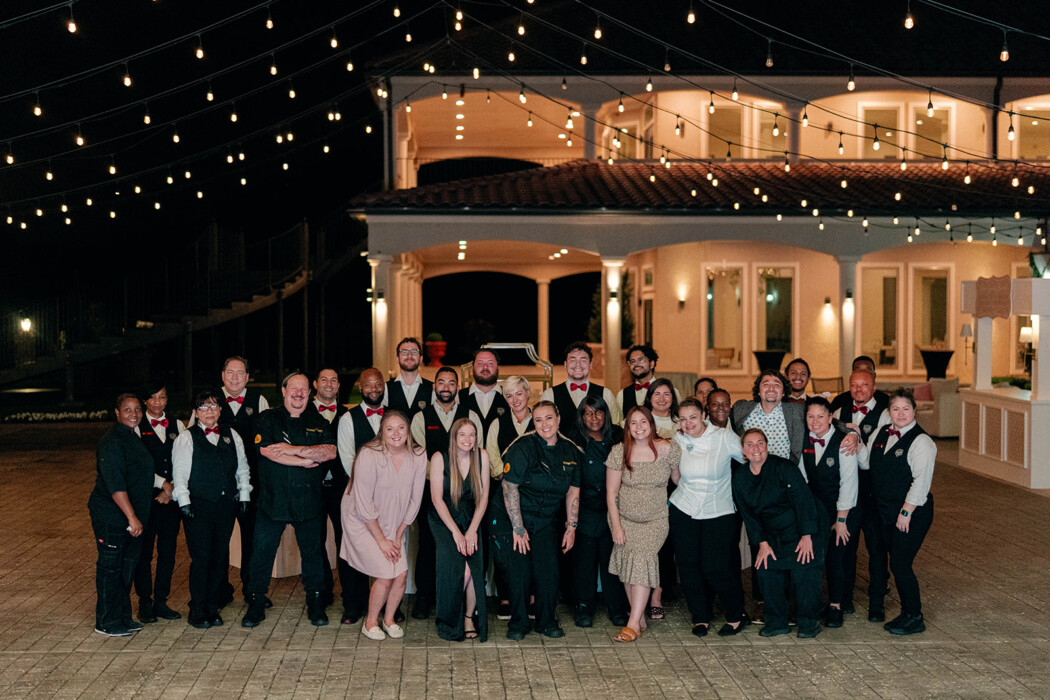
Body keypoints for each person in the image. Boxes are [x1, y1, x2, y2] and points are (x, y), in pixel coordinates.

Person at [241, 372, 337, 629]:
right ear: (283, 391)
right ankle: (255, 603)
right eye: (293, 388)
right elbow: (266, 451)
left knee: (313, 554)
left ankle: (315, 603)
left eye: (303, 389)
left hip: (309, 501)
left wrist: (291, 450)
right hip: (273, 500)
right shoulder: (266, 419)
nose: (298, 393)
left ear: (309, 392)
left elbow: (330, 452)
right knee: (262, 553)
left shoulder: (318, 420)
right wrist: (305, 460)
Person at [488, 400, 581, 641]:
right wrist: (518, 528)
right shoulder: (523, 446)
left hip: (545, 518)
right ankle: (518, 623)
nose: (544, 424)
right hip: (512, 516)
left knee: (548, 571)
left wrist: (571, 527)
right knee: (519, 571)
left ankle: (546, 621)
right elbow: (509, 488)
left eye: (549, 418)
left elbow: (573, 491)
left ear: (558, 418)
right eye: (538, 420)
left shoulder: (570, 450)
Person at [341, 410, 428, 640]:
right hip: (362, 520)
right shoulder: (369, 454)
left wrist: (398, 535)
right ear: (382, 432)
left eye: (401, 427)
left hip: (395, 520)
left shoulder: (418, 454)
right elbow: (363, 503)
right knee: (386, 573)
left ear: (408, 430)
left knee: (401, 574)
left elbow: (415, 500)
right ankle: (370, 622)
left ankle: (389, 620)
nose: (396, 433)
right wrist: (381, 540)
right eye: (389, 428)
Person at [732, 428, 826, 639]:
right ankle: (776, 623)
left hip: (803, 525)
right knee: (767, 570)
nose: (756, 448)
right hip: (771, 532)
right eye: (750, 444)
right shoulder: (740, 477)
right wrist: (762, 543)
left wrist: (807, 536)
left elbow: (803, 500)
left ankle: (808, 623)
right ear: (743, 450)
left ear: (767, 446)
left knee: (804, 573)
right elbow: (748, 515)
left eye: (760, 443)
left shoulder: (784, 467)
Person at [669, 398, 748, 637]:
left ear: (704, 415)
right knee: (688, 566)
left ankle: (736, 614)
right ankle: (700, 617)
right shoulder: (677, 440)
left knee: (716, 567)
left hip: (718, 510)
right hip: (684, 509)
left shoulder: (724, 437)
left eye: (693, 417)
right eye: (683, 419)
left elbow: (750, 458)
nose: (688, 423)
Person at [172, 390, 252, 628]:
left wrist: (244, 494)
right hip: (198, 506)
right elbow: (180, 474)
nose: (209, 411)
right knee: (202, 558)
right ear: (195, 412)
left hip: (226, 506)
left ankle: (212, 605)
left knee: (219, 557)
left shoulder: (232, 435)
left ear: (220, 410)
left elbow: (242, 467)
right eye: (203, 407)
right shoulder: (186, 438)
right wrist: (184, 502)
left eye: (214, 406)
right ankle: (197, 608)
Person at [410, 366, 483, 619]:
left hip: (466, 494)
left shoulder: (470, 415)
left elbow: (477, 451)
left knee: (464, 546)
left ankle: (461, 601)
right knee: (428, 544)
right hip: (432, 491)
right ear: (434, 387)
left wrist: (459, 478)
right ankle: (424, 596)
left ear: (457, 388)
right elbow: (418, 456)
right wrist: (443, 477)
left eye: (451, 383)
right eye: (441, 382)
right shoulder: (421, 418)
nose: (446, 387)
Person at [861, 389, 936, 635]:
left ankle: (914, 616)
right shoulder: (881, 432)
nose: (901, 414)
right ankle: (906, 613)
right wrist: (855, 440)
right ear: (889, 412)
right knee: (888, 559)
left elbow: (921, 482)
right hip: (883, 509)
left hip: (911, 513)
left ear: (914, 410)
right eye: (895, 409)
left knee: (901, 563)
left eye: (906, 409)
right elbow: (866, 462)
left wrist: (906, 512)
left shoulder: (922, 442)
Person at [606, 406, 681, 642]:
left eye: (643, 422)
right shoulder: (619, 452)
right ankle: (639, 619)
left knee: (641, 561)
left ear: (651, 424)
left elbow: (678, 480)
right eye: (633, 423)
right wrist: (617, 526)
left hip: (655, 520)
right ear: (627, 427)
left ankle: (632, 624)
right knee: (629, 566)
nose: (639, 427)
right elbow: (611, 492)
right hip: (624, 519)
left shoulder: (668, 449)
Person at [88, 393, 154, 637]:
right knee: (110, 567)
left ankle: (123, 616)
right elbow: (116, 486)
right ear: (117, 412)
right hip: (113, 516)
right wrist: (131, 518)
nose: (134, 414)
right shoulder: (112, 442)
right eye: (127, 410)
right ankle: (106, 621)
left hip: (132, 516)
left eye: (137, 409)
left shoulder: (132, 436)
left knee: (127, 567)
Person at [799, 396, 859, 629]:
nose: (815, 421)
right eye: (810, 416)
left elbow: (849, 483)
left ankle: (836, 605)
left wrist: (841, 519)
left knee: (836, 558)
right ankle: (812, 604)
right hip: (815, 510)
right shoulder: (803, 439)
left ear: (830, 417)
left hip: (840, 509)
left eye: (820, 416)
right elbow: (803, 479)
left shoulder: (844, 441)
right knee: (812, 558)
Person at [429, 418, 491, 642]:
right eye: (462, 434)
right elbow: (437, 499)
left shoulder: (482, 456)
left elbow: (483, 497)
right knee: (459, 570)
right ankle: (449, 618)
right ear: (454, 437)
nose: (467, 439)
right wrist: (456, 533)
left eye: (471, 434)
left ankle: (467, 617)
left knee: (473, 570)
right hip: (444, 519)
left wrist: (472, 530)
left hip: (472, 518)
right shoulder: (440, 458)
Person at [570, 395, 629, 628]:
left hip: (613, 510)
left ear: (606, 414)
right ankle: (584, 608)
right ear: (581, 417)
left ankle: (617, 608)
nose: (593, 418)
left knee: (611, 561)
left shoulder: (618, 436)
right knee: (584, 563)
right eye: (588, 413)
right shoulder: (574, 439)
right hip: (584, 508)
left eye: (598, 412)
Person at [336, 368, 389, 624]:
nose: (374, 389)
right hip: (358, 493)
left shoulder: (394, 416)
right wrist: (368, 486)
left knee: (387, 548)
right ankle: (353, 604)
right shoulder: (348, 419)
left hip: (389, 495)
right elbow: (348, 459)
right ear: (360, 388)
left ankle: (388, 604)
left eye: (378, 384)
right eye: (369, 385)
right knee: (355, 549)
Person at [216, 356, 269, 606]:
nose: (235, 378)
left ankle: (252, 590)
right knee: (219, 540)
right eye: (230, 372)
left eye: (240, 373)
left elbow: (269, 442)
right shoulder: (210, 400)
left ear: (247, 377)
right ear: (223, 375)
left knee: (252, 540)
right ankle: (220, 591)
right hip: (220, 485)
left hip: (253, 484)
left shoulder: (259, 401)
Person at [134, 381, 185, 624]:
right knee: (144, 553)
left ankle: (161, 601)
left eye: (162, 397)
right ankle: (145, 602)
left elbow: (184, 460)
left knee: (168, 552)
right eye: (153, 397)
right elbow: (138, 464)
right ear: (145, 400)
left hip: (170, 500)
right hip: (146, 499)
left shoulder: (178, 425)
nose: (157, 402)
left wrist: (171, 488)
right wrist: (162, 483)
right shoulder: (136, 426)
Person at [484, 374, 533, 620]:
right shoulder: (497, 423)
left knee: (531, 546)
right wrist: (506, 476)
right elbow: (492, 455)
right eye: (509, 396)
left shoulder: (539, 419)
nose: (515, 400)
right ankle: (505, 598)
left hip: (533, 495)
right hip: (503, 493)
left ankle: (531, 598)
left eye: (519, 394)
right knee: (504, 546)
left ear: (528, 394)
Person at [310, 369, 356, 622]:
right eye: (324, 380)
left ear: (339, 386)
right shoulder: (304, 412)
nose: (329, 384)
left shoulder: (348, 415)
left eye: (334, 380)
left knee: (345, 541)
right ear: (315, 384)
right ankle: (322, 592)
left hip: (342, 487)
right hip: (313, 487)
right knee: (314, 543)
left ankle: (350, 597)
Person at [642, 378, 680, 618]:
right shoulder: (639, 420)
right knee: (642, 545)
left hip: (672, 488)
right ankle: (640, 594)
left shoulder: (681, 422)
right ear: (650, 397)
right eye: (657, 393)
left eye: (667, 394)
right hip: (643, 489)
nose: (662, 398)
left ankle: (657, 596)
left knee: (664, 545)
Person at [541, 341, 621, 444]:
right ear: (565, 364)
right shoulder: (549, 395)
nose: (578, 365)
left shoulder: (606, 394)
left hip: (598, 452)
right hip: (562, 452)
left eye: (583, 360)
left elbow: (615, 429)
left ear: (590, 364)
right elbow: (542, 430)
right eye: (573, 360)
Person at [730, 370, 806, 463]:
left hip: (785, 469)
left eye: (777, 385)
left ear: (783, 392)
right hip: (751, 469)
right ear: (759, 391)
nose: (771, 388)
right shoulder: (741, 409)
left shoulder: (797, 411)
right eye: (766, 384)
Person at [459, 349, 510, 446]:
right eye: (480, 364)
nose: (485, 367)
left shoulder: (510, 397)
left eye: (490, 364)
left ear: (498, 368)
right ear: (472, 368)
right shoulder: (459, 397)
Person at [617, 344, 680, 416]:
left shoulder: (672, 392)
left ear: (652, 364)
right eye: (632, 361)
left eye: (640, 360)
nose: (636, 364)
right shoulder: (622, 395)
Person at [386, 337, 433, 418]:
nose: (409, 355)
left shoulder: (432, 388)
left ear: (421, 359)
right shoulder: (386, 388)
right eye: (404, 352)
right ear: (397, 359)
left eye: (414, 352)